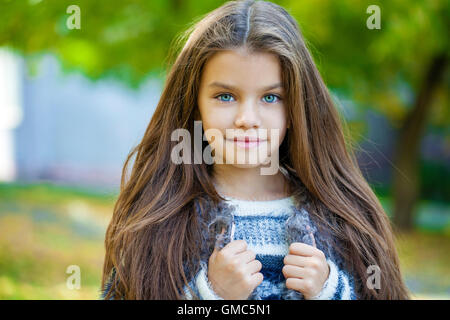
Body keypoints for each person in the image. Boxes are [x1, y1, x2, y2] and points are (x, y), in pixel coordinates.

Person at [100, 0, 410, 300]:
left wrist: (329, 292)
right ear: (194, 106)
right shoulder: (159, 218)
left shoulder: (345, 219)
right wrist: (208, 295)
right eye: (225, 96)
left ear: (297, 110)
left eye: (271, 98)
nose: (247, 119)